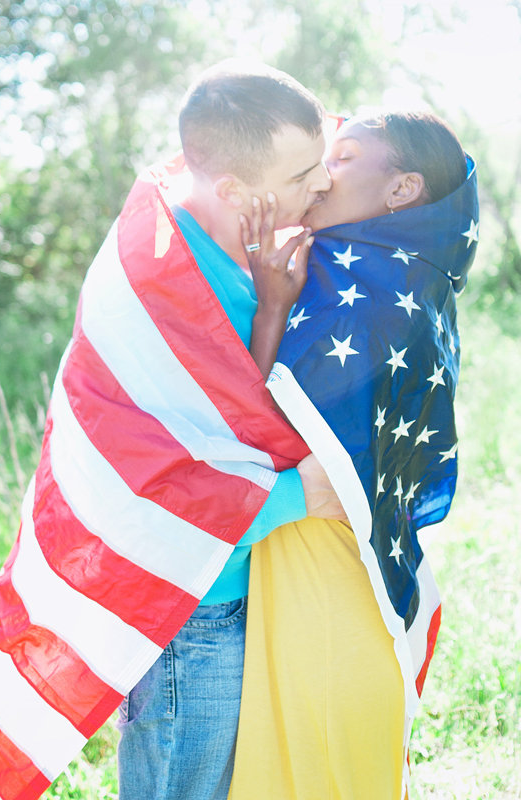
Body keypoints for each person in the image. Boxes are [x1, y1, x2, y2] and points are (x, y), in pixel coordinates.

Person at [0, 62, 346, 800]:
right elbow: (153, 485)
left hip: (239, 590)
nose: (324, 183)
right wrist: (298, 496)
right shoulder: (156, 273)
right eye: (308, 170)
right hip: (192, 612)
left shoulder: (234, 248)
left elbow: (231, 413)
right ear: (237, 193)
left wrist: (271, 299)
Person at [228, 111, 479, 800]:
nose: (321, 172)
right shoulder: (400, 278)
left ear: (400, 189)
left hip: (328, 600)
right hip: (322, 587)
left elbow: (252, 433)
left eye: (342, 156)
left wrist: (273, 310)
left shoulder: (370, 296)